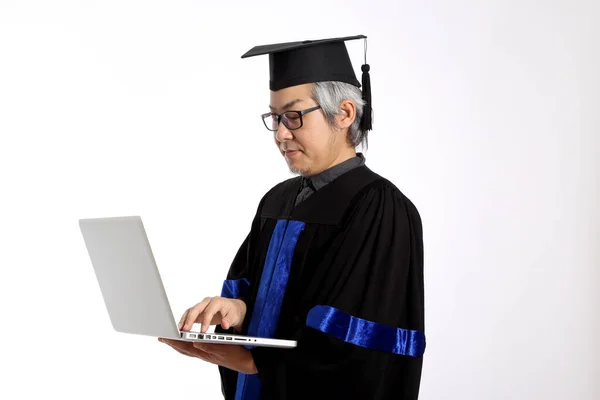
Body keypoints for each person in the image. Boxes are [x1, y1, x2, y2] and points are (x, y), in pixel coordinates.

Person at [159, 34, 426, 399]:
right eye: (276, 117)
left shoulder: (379, 207)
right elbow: (260, 296)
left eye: (295, 116)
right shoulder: (277, 200)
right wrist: (234, 312)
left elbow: (358, 342)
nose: (281, 134)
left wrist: (256, 362)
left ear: (345, 114)